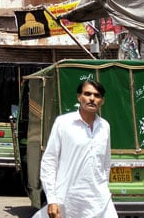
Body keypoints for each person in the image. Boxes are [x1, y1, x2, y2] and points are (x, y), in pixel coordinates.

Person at [34, 80, 116, 218]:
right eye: (87, 94)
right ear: (79, 97)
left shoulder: (104, 127)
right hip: (68, 200)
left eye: (97, 95)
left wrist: (105, 188)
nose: (92, 98)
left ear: (102, 100)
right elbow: (49, 161)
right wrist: (52, 200)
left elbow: (105, 163)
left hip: (99, 200)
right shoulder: (64, 123)